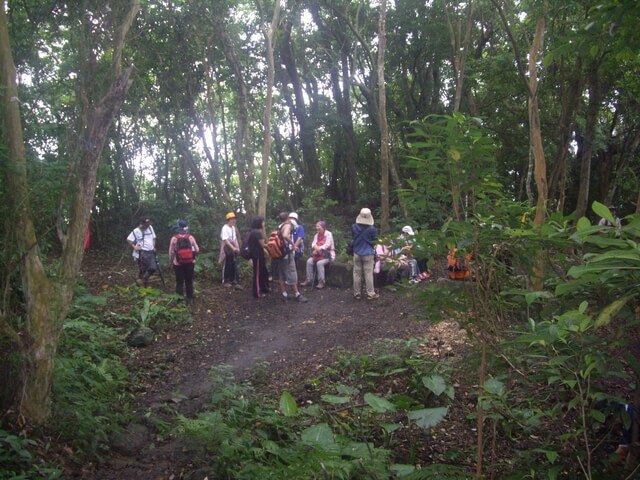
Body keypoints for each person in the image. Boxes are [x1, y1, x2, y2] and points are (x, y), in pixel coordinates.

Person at [271, 212, 308, 302]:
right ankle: (297, 294)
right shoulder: (287, 225)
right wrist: (293, 245)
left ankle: (284, 294)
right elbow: (285, 236)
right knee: (292, 272)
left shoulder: (279, 226)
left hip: (279, 253)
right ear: (287, 218)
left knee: (281, 273)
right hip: (286, 253)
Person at [169, 219, 200, 304]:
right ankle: (190, 299)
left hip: (178, 264)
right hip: (190, 263)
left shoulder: (174, 238)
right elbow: (197, 250)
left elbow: (171, 252)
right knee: (189, 281)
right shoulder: (190, 237)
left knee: (179, 281)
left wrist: (171, 261)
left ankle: (179, 300)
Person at [352, 208, 378, 300]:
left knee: (356, 273)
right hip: (368, 253)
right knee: (368, 273)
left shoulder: (354, 227)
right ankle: (370, 293)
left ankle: (357, 293)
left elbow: (353, 238)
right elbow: (375, 241)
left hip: (357, 252)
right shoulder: (372, 229)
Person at [300, 221, 335, 289]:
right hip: (317, 254)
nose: (317, 228)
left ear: (323, 227)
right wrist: (315, 248)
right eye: (316, 226)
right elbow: (313, 243)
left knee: (319, 263)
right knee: (309, 261)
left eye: (318, 226)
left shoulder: (328, 234)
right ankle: (309, 279)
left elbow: (327, 245)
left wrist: (318, 249)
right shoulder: (316, 235)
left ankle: (321, 282)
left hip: (328, 255)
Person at [127, 218, 157, 287]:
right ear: (142, 223)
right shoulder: (136, 231)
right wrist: (134, 247)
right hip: (142, 252)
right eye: (146, 224)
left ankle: (143, 280)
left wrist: (153, 246)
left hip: (151, 252)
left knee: (153, 268)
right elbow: (129, 239)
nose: (148, 225)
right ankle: (144, 285)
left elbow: (153, 238)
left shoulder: (150, 228)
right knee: (143, 269)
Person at [247, 216, 270, 299]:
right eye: (263, 222)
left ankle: (263, 289)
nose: (264, 224)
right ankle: (256, 293)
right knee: (257, 274)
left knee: (261, 273)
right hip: (257, 256)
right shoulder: (257, 233)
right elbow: (262, 244)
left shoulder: (252, 232)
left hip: (257, 255)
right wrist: (270, 244)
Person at [219, 212, 241, 289]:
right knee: (227, 263)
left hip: (233, 247)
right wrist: (233, 248)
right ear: (229, 220)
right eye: (232, 219)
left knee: (233, 263)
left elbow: (234, 239)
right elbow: (225, 240)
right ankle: (225, 280)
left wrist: (237, 247)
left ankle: (232, 279)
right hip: (227, 248)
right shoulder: (224, 228)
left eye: (234, 219)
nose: (234, 221)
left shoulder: (233, 228)